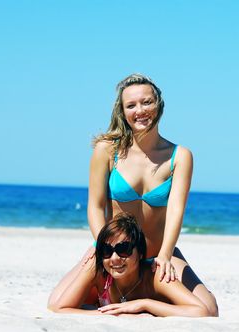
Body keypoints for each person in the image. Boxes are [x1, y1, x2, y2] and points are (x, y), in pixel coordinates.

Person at [48, 73, 218, 316]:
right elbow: (95, 207)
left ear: (159, 104)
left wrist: (167, 255)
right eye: (131, 105)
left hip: (158, 254)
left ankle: (146, 300)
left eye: (147, 102)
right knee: (57, 302)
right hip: (115, 252)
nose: (140, 110)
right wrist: (103, 248)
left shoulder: (180, 156)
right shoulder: (107, 150)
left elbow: (176, 211)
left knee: (209, 310)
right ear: (122, 111)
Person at [48, 214, 210, 317]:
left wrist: (144, 304)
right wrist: (109, 313)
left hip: (171, 260)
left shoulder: (156, 275)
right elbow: (60, 308)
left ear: (140, 253)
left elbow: (201, 311)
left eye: (123, 250)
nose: (114, 258)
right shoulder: (97, 269)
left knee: (211, 306)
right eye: (106, 250)